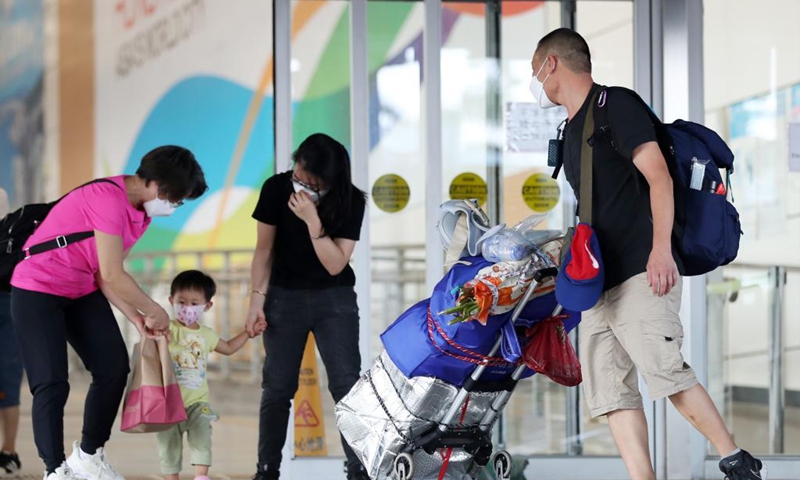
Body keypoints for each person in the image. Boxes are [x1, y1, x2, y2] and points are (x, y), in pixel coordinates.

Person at [530, 28, 765, 480]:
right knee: (612, 390)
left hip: (641, 268)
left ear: (552, 64)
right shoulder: (572, 127)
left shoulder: (615, 104)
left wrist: (661, 252)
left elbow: (658, 177)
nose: (536, 82)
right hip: (600, 284)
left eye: (536, 71)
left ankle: (735, 459)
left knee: (665, 371)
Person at [9, 146, 208, 480]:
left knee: (113, 367)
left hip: (80, 288)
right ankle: (55, 469)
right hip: (37, 289)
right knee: (52, 382)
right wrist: (154, 308)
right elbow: (115, 274)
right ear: (158, 185)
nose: (175, 207)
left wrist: (137, 318)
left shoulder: (140, 215)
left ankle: (89, 454)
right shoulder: (106, 197)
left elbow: (105, 273)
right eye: (177, 199)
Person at [246, 133, 368, 480]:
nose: (299, 182)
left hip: (335, 301)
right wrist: (256, 301)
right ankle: (267, 470)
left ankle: (358, 469)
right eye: (298, 173)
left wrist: (313, 220)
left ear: (329, 180)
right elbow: (263, 251)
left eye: (309, 180)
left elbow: (335, 264)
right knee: (277, 387)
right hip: (284, 298)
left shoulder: (350, 201)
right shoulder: (275, 189)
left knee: (346, 386)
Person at [157, 270, 265, 480]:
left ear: (207, 306)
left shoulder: (206, 335)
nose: (187, 308)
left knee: (202, 438)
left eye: (194, 303)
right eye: (182, 301)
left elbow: (228, 348)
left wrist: (248, 334)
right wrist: (159, 334)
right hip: (168, 403)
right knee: (169, 445)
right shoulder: (167, 329)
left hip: (198, 403)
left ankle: (201, 476)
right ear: (171, 300)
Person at [0, 188, 23, 477]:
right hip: (11, 305)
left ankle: (8, 450)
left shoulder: (13, 233)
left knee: (8, 379)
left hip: (9, 305)